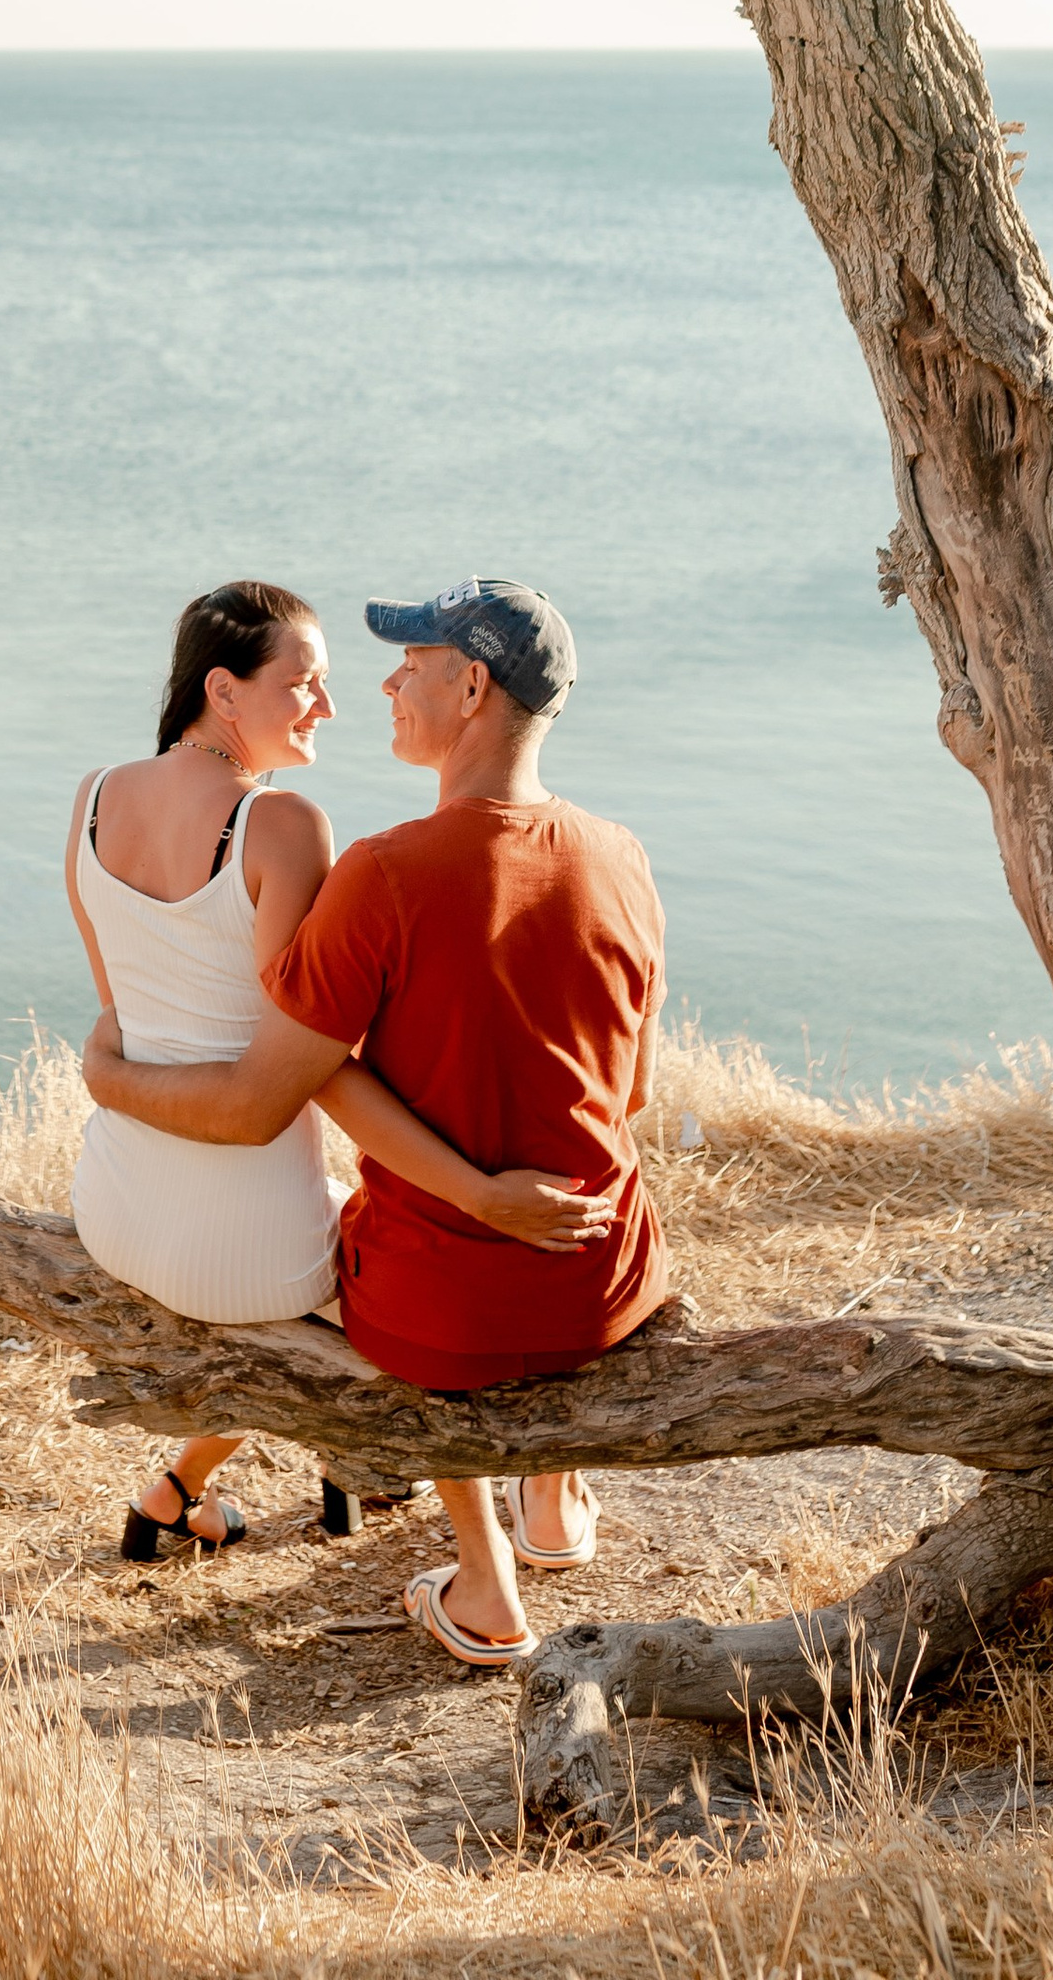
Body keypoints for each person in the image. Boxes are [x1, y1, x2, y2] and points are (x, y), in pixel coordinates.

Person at [81, 575, 667, 1663]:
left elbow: (292, 1078)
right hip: (601, 1282)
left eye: (413, 664)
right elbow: (622, 1094)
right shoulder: (623, 857)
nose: (388, 685)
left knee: (392, 1239)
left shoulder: (380, 876)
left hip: (438, 1313)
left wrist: (109, 1079)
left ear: (473, 685)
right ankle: (554, 1492)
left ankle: (487, 1584)